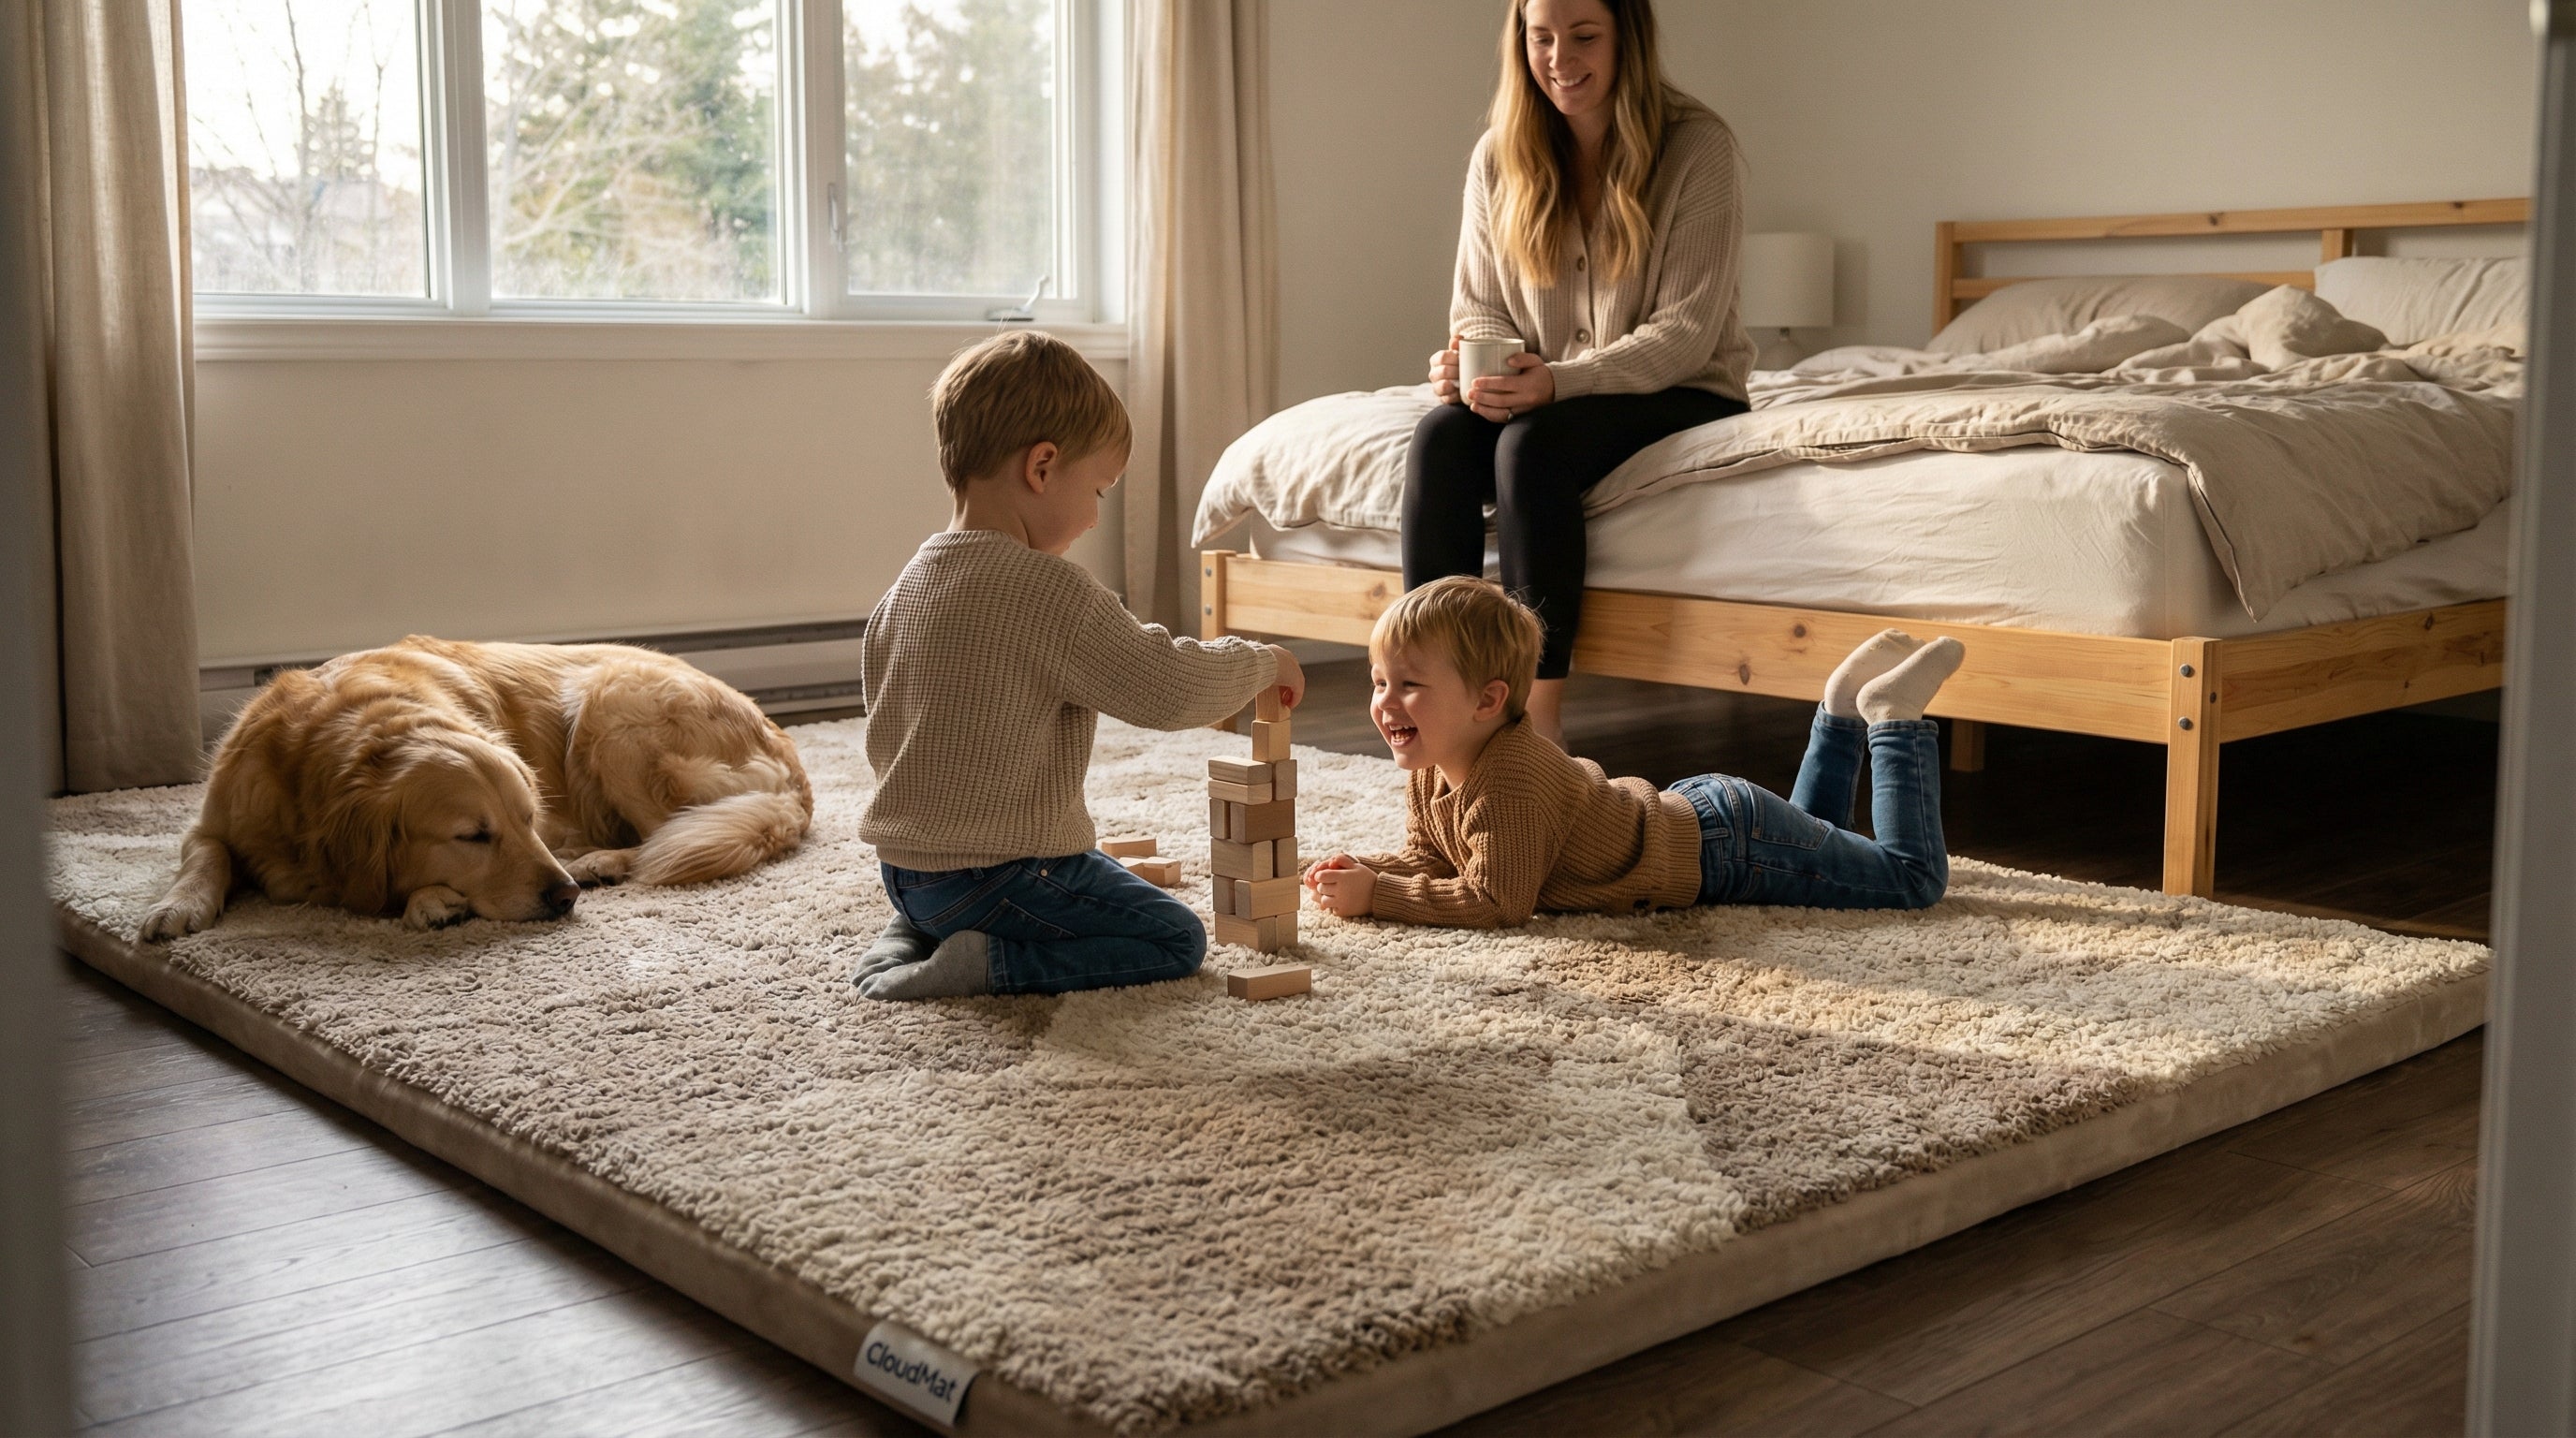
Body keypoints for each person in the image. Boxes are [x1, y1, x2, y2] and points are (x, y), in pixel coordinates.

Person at [852, 330, 1304, 999]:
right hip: (995, 877)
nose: (1095, 518)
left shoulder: (907, 586)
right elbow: (1166, 688)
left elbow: (887, 727)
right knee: (1173, 937)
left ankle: (913, 932)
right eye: (1098, 491)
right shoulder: (1047, 590)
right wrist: (1262, 662)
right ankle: (990, 966)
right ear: (1041, 467)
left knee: (1080, 863)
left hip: (908, 873)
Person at [1406, 0, 1756, 747]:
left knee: (1533, 447)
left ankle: (1535, 723)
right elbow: (1481, 306)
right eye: (1541, 38)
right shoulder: (1500, 156)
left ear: (1628, 36)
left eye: (1585, 36)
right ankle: (1428, 700)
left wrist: (1557, 382)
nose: (1560, 58)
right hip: (1547, 392)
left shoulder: (1699, 148)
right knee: (1439, 439)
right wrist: (1479, 371)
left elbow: (1686, 334)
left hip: (1683, 388)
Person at [1305, 578, 1957, 928]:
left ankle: (1893, 723)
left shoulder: (1508, 777)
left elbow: (1496, 900)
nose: (1385, 702)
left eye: (1409, 685)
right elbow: (1435, 857)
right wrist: (1360, 867)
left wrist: (1378, 897)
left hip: (1727, 848)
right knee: (1824, 846)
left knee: (1907, 880)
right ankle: (1839, 711)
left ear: (1486, 700)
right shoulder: (1433, 763)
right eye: (1379, 682)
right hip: (1706, 819)